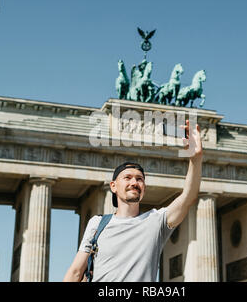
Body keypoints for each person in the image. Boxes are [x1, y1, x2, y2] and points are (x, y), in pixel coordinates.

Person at [63, 120, 203, 282]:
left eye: (139, 179)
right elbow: (75, 272)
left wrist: (196, 160)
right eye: (127, 177)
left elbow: (188, 198)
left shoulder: (156, 221)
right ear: (113, 186)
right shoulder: (97, 224)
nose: (134, 183)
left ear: (144, 187)